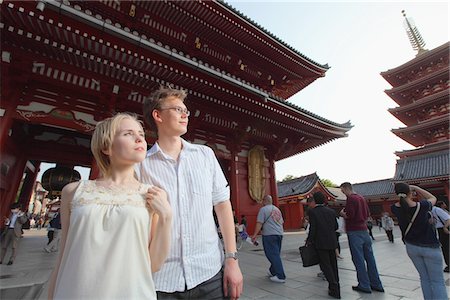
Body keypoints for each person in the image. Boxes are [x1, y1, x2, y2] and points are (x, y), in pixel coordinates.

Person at [47, 113, 172, 299]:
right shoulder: (73, 191)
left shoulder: (152, 195)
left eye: (141, 134)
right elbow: (64, 253)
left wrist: (166, 217)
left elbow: (153, 264)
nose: (139, 138)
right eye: (128, 133)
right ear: (106, 147)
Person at [137, 86, 243, 299]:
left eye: (186, 110)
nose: (185, 114)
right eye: (177, 109)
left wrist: (231, 259)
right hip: (161, 279)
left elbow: (222, 205)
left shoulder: (205, 155)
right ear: (157, 115)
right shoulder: (141, 166)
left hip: (209, 272)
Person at [391, 183, 448, 300]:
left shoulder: (394, 208)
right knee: (437, 281)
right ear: (410, 192)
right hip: (430, 247)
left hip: (411, 247)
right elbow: (433, 198)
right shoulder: (422, 206)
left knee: (424, 278)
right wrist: (417, 188)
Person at [339, 182, 384, 294]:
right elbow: (367, 213)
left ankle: (364, 284)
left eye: (342, 190)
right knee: (370, 258)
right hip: (364, 230)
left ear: (345, 188)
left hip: (354, 231)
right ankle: (376, 283)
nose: (342, 193)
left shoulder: (351, 199)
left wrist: (342, 214)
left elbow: (350, 215)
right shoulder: (361, 198)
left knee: (358, 259)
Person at [306, 192, 340, 299]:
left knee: (325, 265)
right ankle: (336, 285)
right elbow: (335, 226)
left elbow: (313, 228)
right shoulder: (331, 211)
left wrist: (309, 240)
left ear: (315, 200)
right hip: (332, 241)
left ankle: (334, 287)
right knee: (333, 264)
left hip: (321, 242)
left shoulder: (313, 212)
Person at [251, 195, 286, 283]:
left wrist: (254, 235)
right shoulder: (277, 209)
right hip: (279, 233)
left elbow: (259, 223)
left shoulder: (263, 209)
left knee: (272, 254)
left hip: (269, 235)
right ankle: (272, 271)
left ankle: (280, 276)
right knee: (276, 253)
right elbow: (281, 222)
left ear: (264, 201)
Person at [431, 200, 450, 273]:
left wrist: (445, 227)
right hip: (440, 230)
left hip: (444, 229)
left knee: (446, 248)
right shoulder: (433, 210)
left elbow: (448, 219)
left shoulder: (436, 210)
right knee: (445, 248)